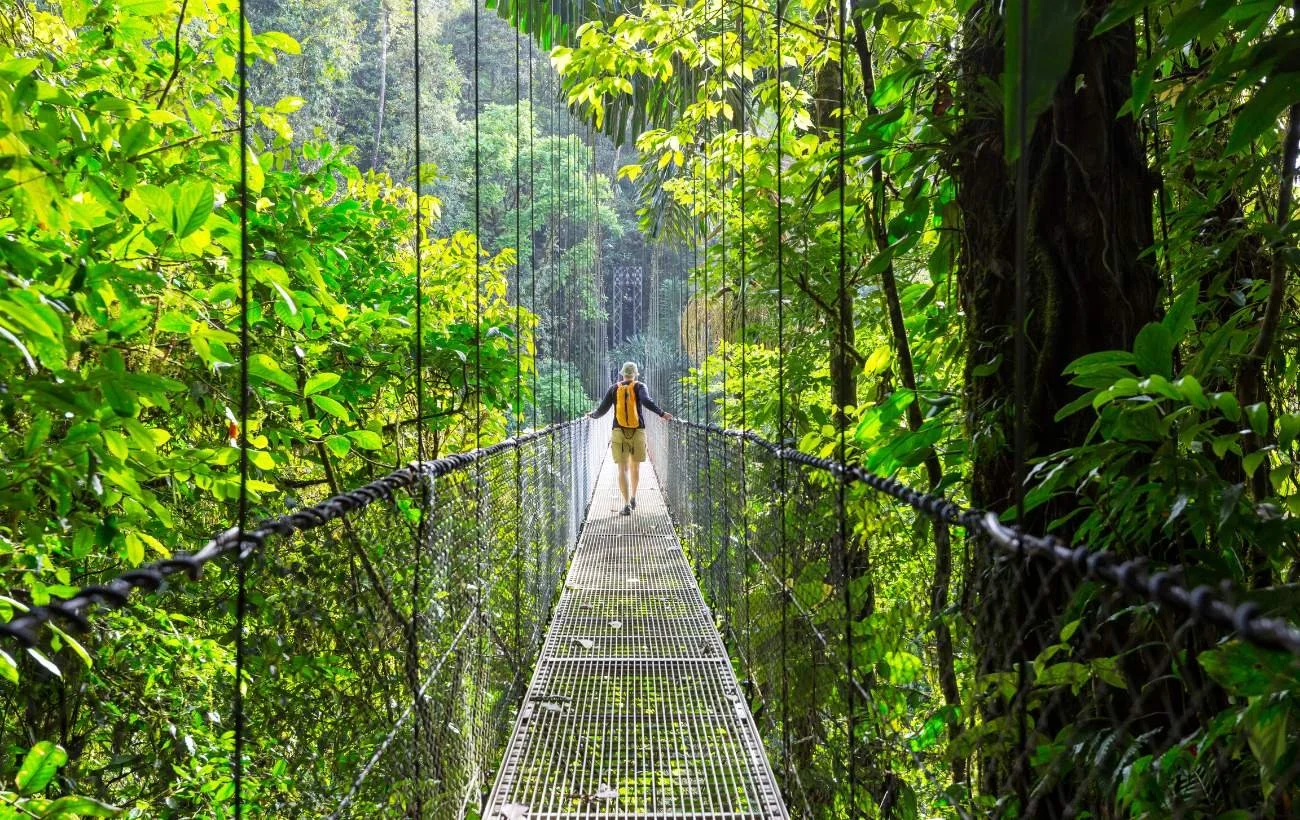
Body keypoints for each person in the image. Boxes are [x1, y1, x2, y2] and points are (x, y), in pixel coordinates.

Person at [587, 361, 672, 515]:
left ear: (622, 373)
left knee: (622, 468)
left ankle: (626, 504)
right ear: (635, 374)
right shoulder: (640, 386)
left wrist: (592, 415)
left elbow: (602, 410)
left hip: (618, 431)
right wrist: (662, 413)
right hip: (638, 431)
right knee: (635, 466)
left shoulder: (614, 388)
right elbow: (646, 401)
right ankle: (633, 497)